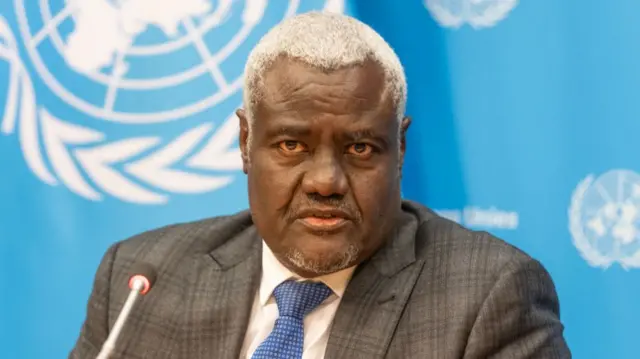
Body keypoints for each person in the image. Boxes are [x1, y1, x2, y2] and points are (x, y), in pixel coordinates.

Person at [69, 12, 571, 359]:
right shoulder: (142, 281)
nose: (326, 182)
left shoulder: (487, 298)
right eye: (291, 145)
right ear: (246, 142)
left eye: (360, 148)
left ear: (400, 149)